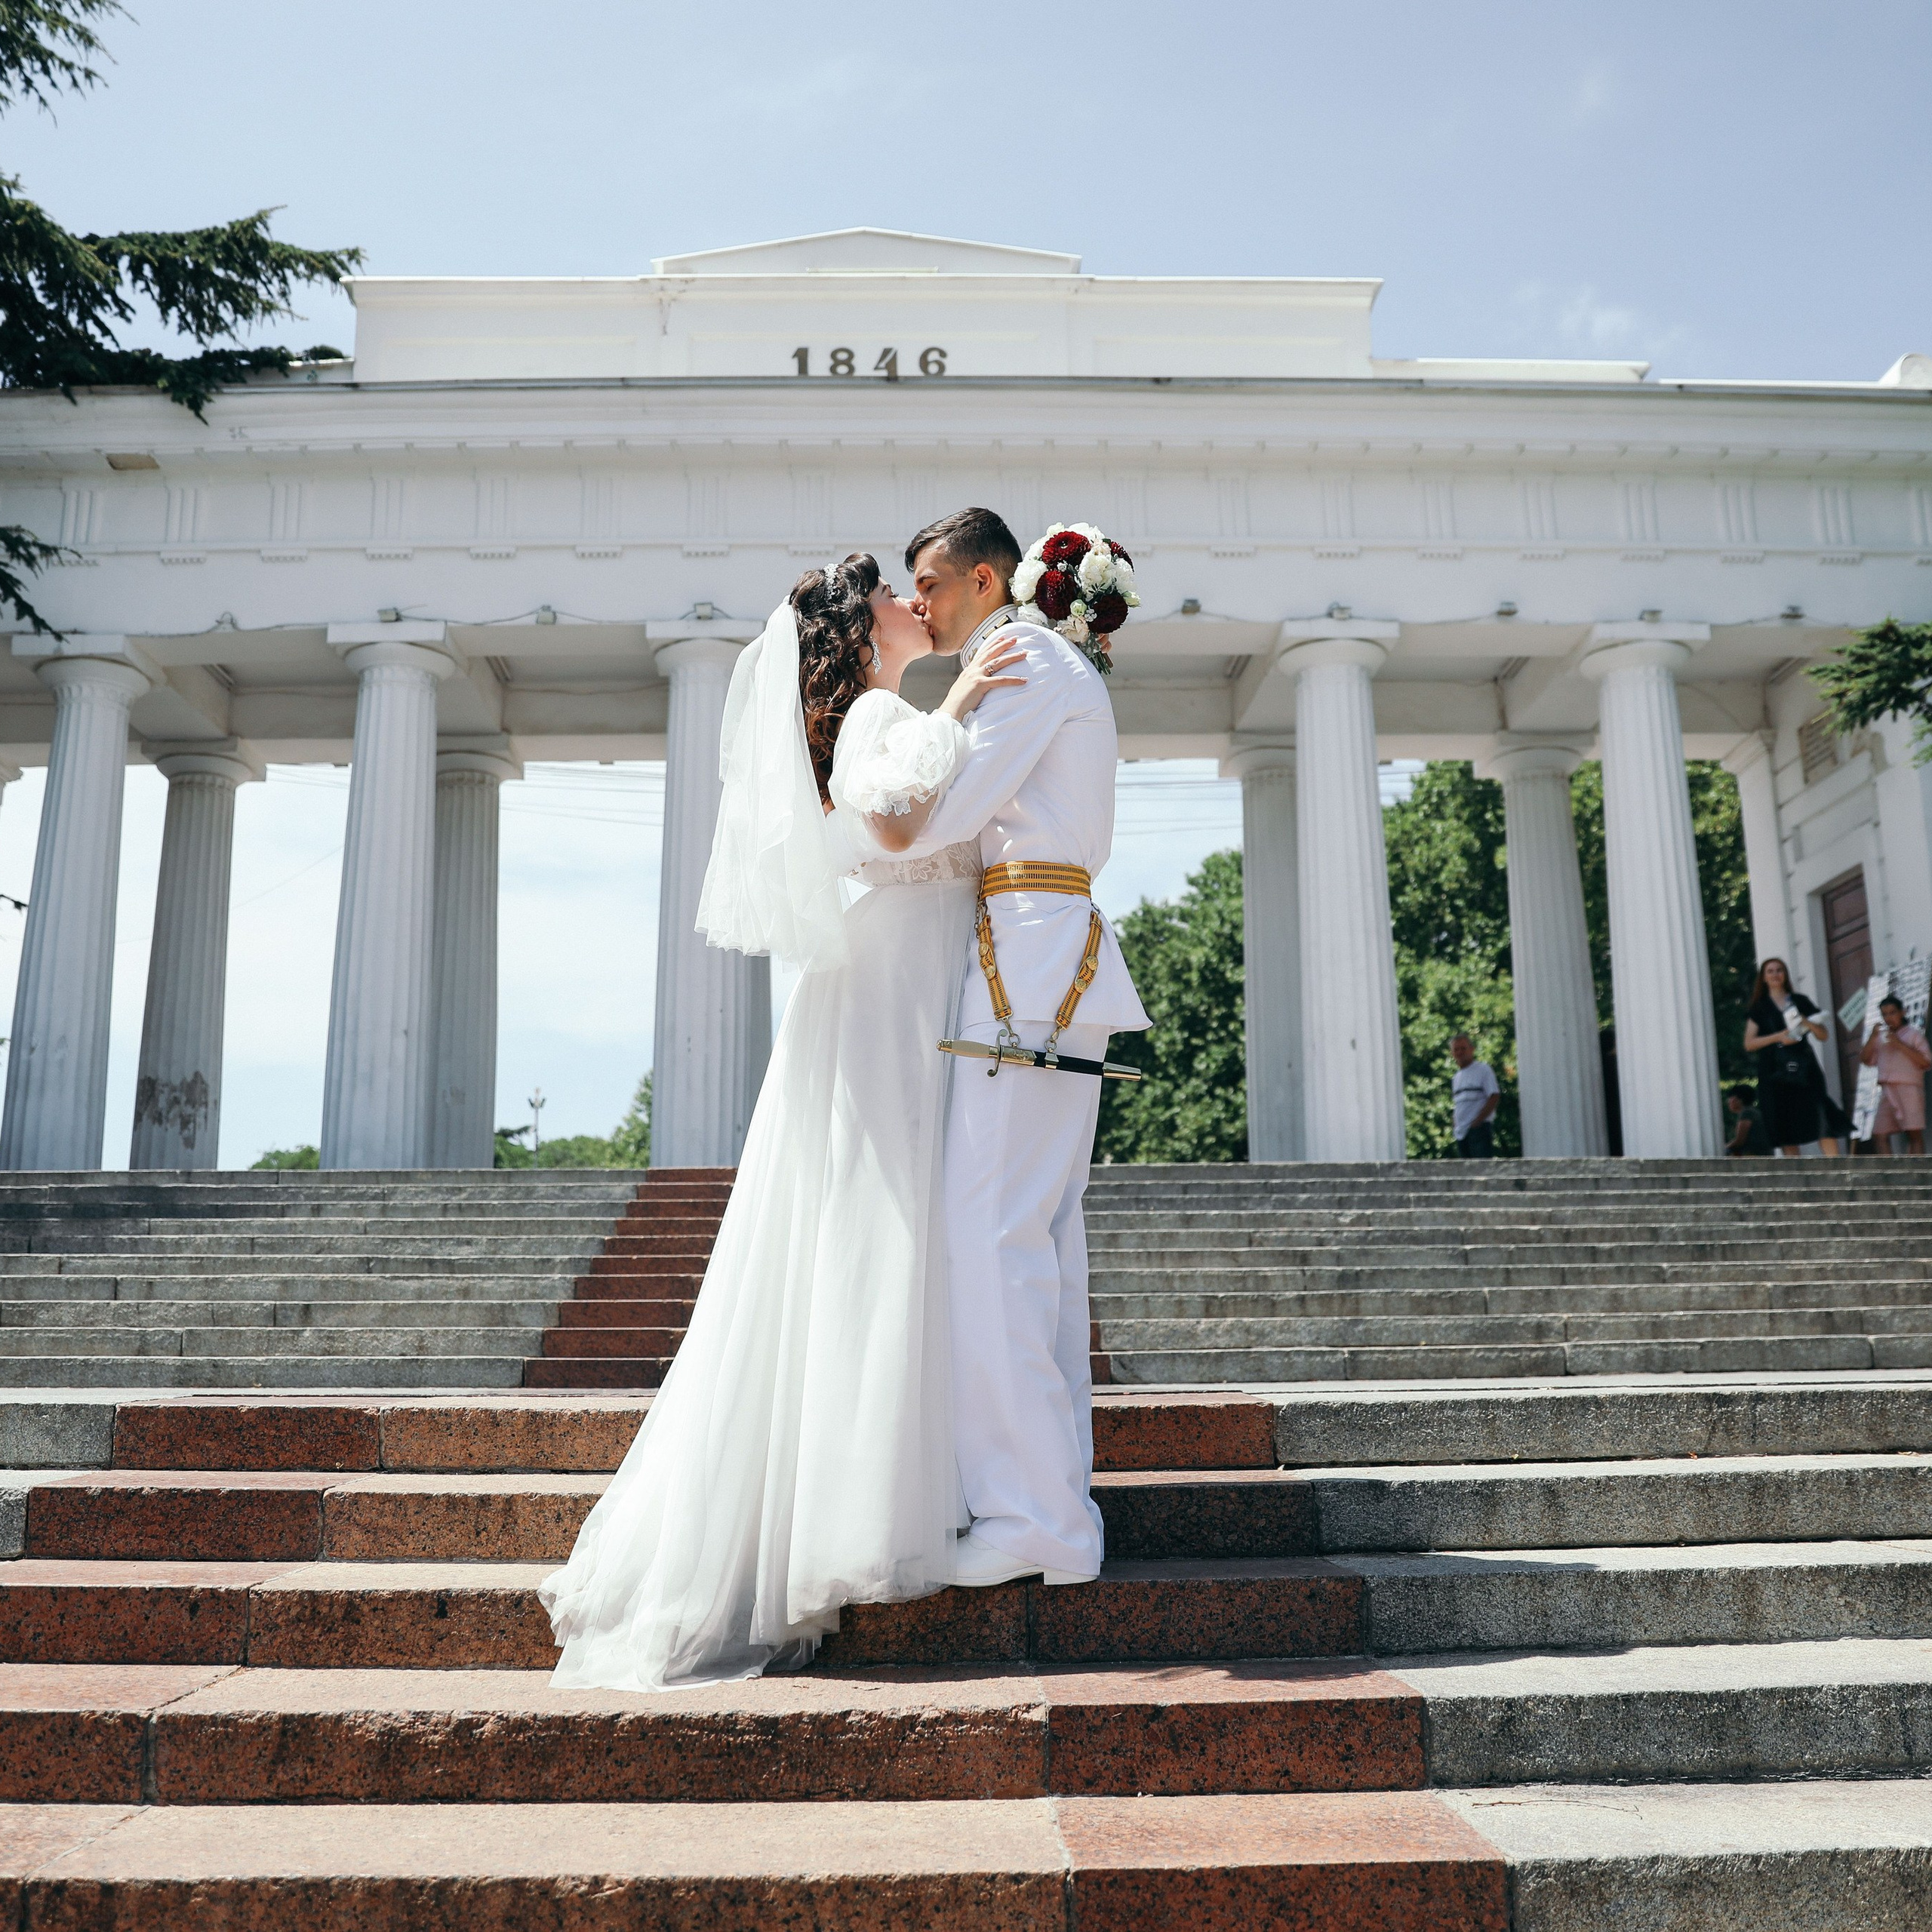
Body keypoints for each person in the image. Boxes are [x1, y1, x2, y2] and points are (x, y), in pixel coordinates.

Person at [540, 554, 1024, 1690]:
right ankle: (867, 1518)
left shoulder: (872, 710)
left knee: (890, 1224)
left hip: (906, 974)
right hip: (894, 983)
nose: (919, 603)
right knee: (881, 1224)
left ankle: (902, 1488)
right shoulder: (870, 716)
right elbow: (901, 830)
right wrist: (953, 706)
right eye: (898, 596)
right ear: (862, 634)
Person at [827, 507, 1150, 1591]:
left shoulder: (1021, 660)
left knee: (993, 1237)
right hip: (1044, 954)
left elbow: (935, 815)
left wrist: (929, 724)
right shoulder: (1053, 661)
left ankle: (1035, 1520)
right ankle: (1051, 1503)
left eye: (931, 581)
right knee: (1035, 1245)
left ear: (985, 581)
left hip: (1029, 964)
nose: (919, 603)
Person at [1743, 958, 1844, 1157]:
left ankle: (1836, 1168)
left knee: (1820, 1114)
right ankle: (1797, 1177)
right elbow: (1750, 1043)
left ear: (1785, 974)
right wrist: (1778, 1037)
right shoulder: (1759, 1008)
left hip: (1805, 1068)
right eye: (1770, 971)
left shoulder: (1800, 1001)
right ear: (1764, 977)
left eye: (1779, 970)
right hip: (1774, 1071)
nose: (1775, 975)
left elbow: (1823, 1035)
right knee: (1783, 1123)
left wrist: (1806, 1021)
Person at [1862, 995, 1931, 1155]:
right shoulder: (1880, 1038)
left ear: (1902, 1012)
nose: (1888, 1018)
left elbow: (1926, 1062)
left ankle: (1917, 1172)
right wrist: (1872, 1038)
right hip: (1887, 1089)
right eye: (1884, 1014)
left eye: (1892, 1013)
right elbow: (1866, 1059)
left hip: (1909, 1088)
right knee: (1880, 1133)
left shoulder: (1913, 1035)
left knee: (1913, 1133)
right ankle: (1889, 1173)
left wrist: (1899, 1044)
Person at [1449, 1034, 1500, 1158]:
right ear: (1452, 1053)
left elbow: (1494, 1096)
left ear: (1472, 1049)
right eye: (1456, 1049)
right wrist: (1455, 1123)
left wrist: (1478, 1121)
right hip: (1461, 1132)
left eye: (1463, 1048)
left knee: (1481, 1170)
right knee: (1466, 1172)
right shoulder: (1457, 1077)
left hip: (1479, 1130)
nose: (1460, 1052)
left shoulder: (1483, 1070)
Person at [1724, 1083, 1772, 1157]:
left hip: (1756, 1154)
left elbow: (1739, 1141)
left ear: (1740, 1099)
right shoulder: (1754, 1112)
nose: (1728, 1101)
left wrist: (1723, 1148)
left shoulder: (1747, 1113)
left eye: (1731, 1097)